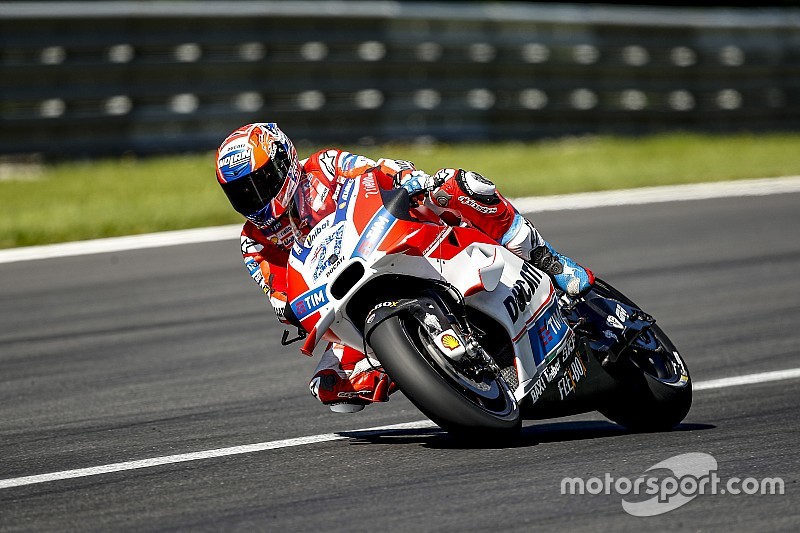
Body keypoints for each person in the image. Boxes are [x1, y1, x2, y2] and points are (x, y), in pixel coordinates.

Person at [215, 123, 594, 413]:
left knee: (459, 186)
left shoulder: (324, 165)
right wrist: (288, 312)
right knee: (331, 390)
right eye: (242, 193)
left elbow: (375, 170)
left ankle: (548, 259)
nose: (255, 198)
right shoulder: (254, 243)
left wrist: (403, 176)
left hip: (398, 236)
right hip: (348, 294)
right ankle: (420, 365)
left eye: (260, 183)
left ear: (284, 163)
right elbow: (280, 296)